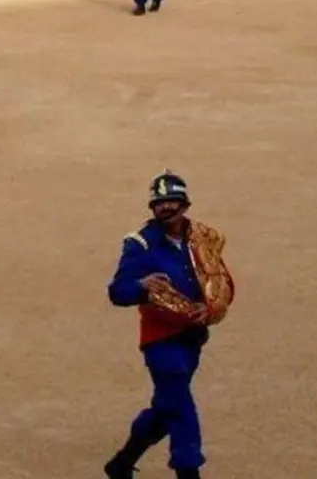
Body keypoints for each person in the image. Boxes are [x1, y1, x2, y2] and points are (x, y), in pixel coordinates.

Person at [104, 171, 236, 479]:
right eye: (159, 203)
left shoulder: (203, 239)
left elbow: (222, 281)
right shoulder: (141, 245)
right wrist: (141, 285)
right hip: (160, 341)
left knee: (166, 409)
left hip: (192, 338)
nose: (165, 208)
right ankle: (188, 472)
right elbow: (117, 291)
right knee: (183, 409)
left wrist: (213, 305)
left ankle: (122, 462)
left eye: (171, 201)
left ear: (184, 204)